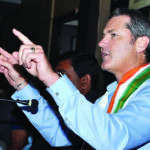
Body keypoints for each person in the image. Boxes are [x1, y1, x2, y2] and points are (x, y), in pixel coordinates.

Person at [1, 7, 150, 149]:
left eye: (113, 35)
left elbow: (112, 139)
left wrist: (51, 77)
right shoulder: (110, 95)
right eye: (103, 36)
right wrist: (20, 82)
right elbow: (59, 134)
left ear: (141, 43)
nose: (101, 43)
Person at [29, 51, 100, 150]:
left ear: (84, 82)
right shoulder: (60, 106)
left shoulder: (91, 115)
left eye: (61, 76)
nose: (54, 81)